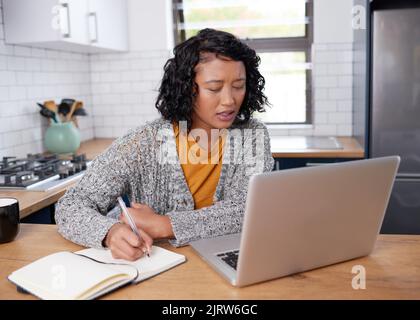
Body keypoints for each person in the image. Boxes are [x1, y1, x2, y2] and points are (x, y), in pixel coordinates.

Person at [55, 28, 274, 261]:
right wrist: (110, 233)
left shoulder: (252, 135)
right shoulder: (143, 143)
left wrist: (165, 225)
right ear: (187, 88)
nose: (230, 100)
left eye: (238, 86)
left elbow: (250, 211)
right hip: (159, 271)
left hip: (232, 264)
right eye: (214, 88)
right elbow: (71, 206)